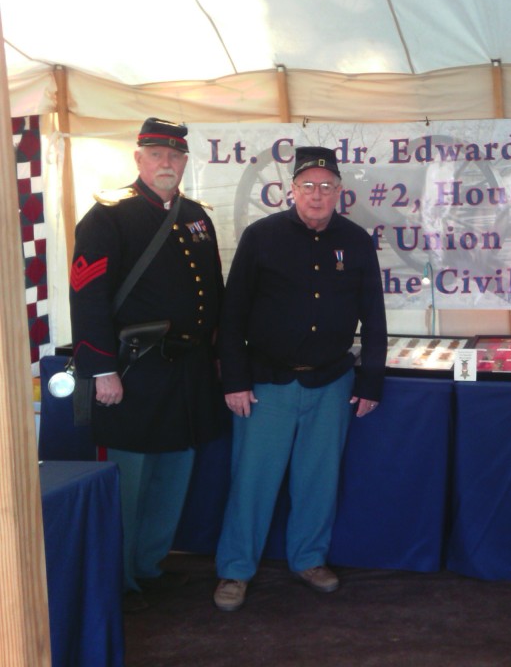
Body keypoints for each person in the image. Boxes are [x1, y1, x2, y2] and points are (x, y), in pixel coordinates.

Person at [213, 145, 387, 612]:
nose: (317, 194)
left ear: (339, 193)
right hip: (267, 384)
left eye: (327, 186)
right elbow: (232, 315)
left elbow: (373, 315)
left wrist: (371, 380)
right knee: (252, 481)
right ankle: (235, 570)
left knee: (318, 480)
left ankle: (309, 559)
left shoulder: (355, 241)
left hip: (331, 383)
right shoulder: (261, 236)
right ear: (290, 190)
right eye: (308, 185)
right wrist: (234, 379)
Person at [69, 117, 227, 612]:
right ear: (138, 159)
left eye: (175, 156)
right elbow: (86, 297)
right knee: (130, 482)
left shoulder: (197, 216)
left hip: (186, 372)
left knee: (172, 476)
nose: (166, 164)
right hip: (132, 372)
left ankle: (149, 567)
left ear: (184, 162)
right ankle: (116, 581)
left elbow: (215, 298)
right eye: (156, 155)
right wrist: (100, 370)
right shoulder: (108, 217)